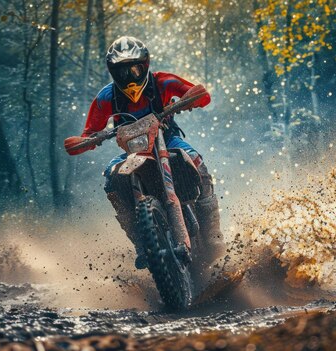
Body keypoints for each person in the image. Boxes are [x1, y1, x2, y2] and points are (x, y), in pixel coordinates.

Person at [72, 36, 224, 269]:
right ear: (113, 72)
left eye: (134, 69)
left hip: (167, 140)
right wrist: (87, 141)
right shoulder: (106, 98)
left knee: (196, 161)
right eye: (122, 72)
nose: (129, 76)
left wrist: (190, 98)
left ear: (145, 65)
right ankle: (141, 243)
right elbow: (89, 132)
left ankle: (213, 237)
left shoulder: (162, 82)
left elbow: (200, 94)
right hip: (133, 151)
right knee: (111, 179)